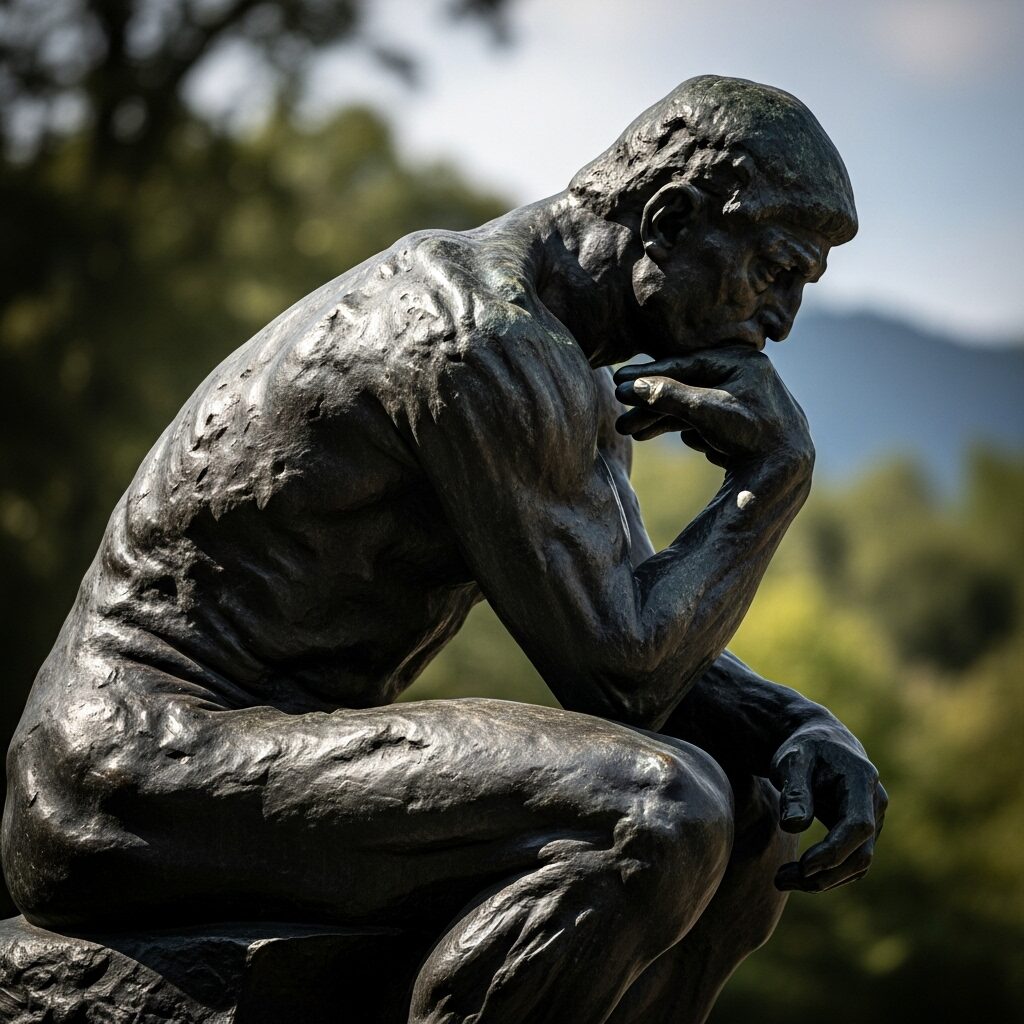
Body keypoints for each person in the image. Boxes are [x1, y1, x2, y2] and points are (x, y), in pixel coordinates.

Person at [3, 75, 886, 1023]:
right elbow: (624, 677)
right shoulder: (477, 339)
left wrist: (794, 727)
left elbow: (642, 638)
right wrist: (772, 485)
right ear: (668, 222)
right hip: (124, 773)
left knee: (759, 813)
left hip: (241, 753)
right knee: (654, 812)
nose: (782, 320)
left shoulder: (567, 365)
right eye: (774, 271)